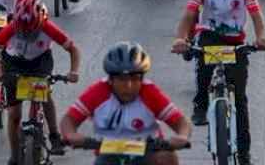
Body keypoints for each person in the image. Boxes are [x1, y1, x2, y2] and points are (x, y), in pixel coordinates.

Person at [172, 0, 265, 165]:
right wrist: (180, 38)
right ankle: (201, 103)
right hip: (210, 36)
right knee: (204, 71)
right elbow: (188, 15)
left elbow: (256, 16)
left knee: (241, 102)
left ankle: (244, 154)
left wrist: (261, 37)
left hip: (236, 42)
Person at [60, 42, 192, 165]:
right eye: (122, 79)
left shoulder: (150, 92)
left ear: (142, 79)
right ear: (110, 80)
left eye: (135, 79)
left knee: (168, 156)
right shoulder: (98, 92)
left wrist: (182, 136)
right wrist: (71, 134)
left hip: (147, 152)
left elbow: (181, 122)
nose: (128, 86)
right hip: (107, 154)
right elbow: (69, 119)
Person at [0, 0, 82, 162]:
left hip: (40, 62)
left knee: (44, 96)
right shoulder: (11, 28)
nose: (26, 33)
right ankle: (14, 155)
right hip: (13, 63)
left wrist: (73, 71)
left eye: (30, 30)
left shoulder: (48, 27)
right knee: (14, 114)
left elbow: (73, 49)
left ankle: (54, 135)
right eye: (22, 30)